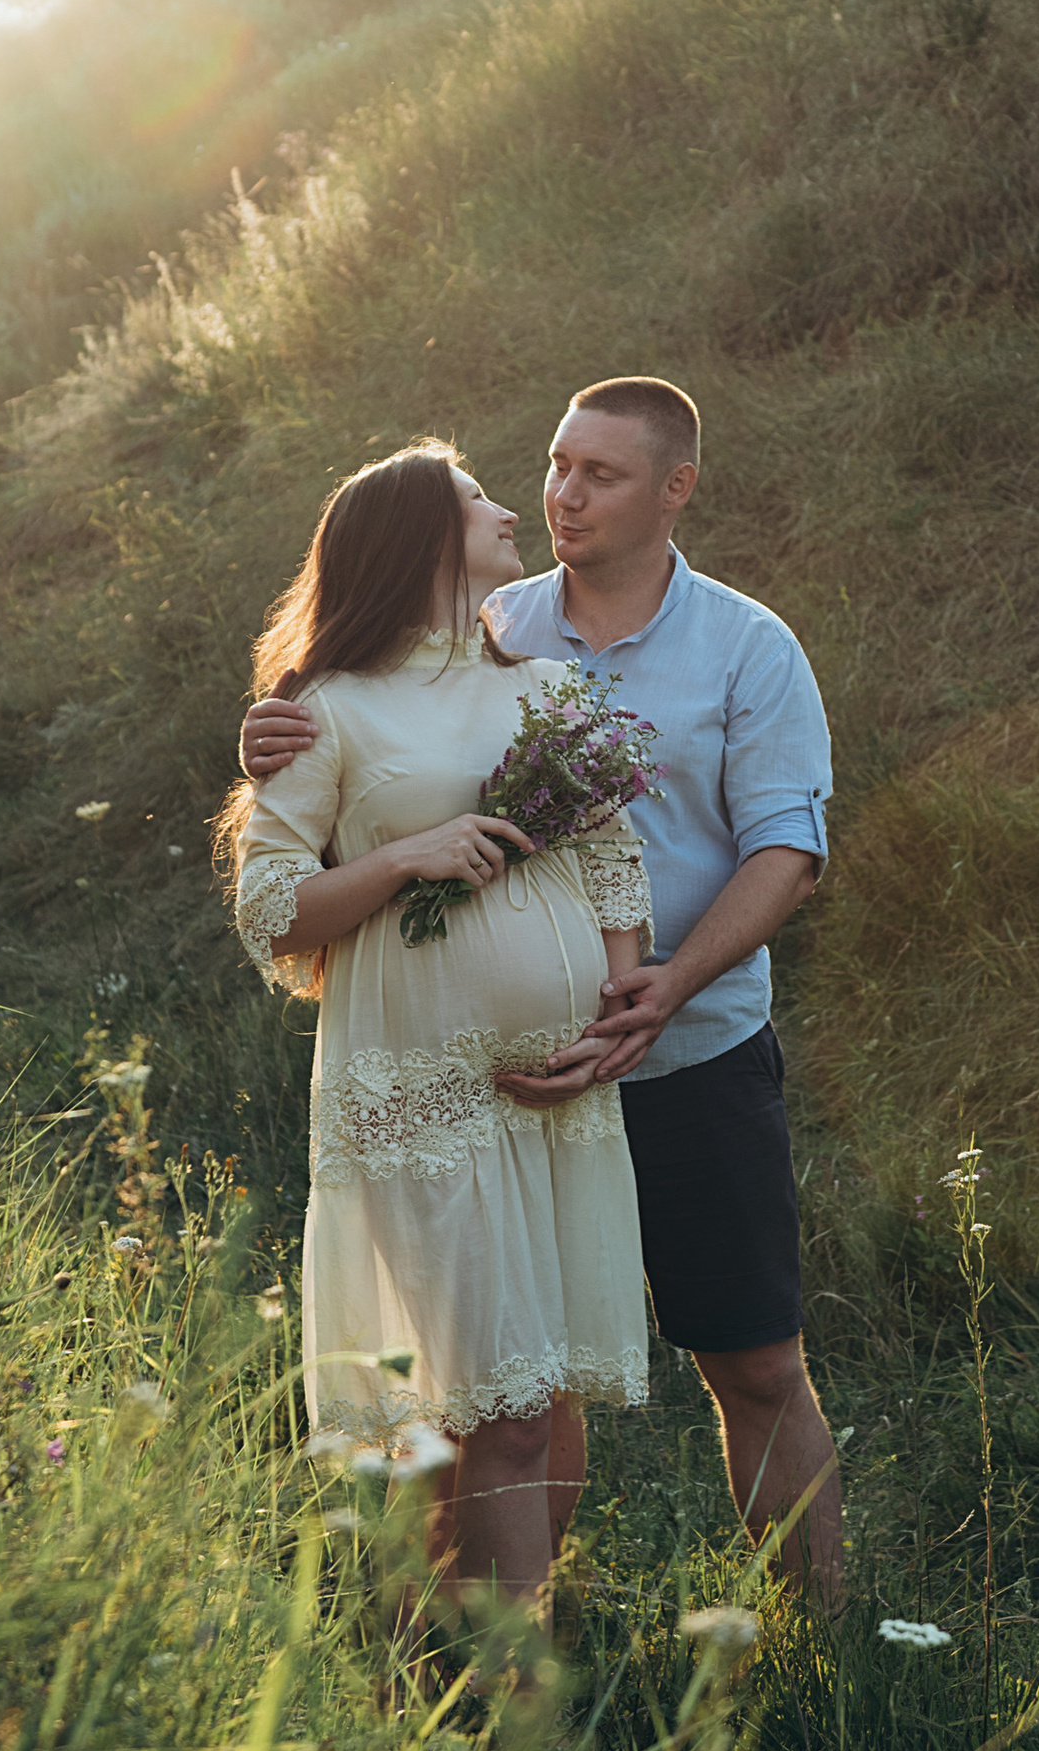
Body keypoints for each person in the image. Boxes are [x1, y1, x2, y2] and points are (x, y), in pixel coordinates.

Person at [243, 376, 843, 1602]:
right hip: (499, 1089)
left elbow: (786, 847)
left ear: (675, 488)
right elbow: (359, 714)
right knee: (516, 1394)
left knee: (757, 1365)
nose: (559, 494)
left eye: (599, 474)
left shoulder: (745, 646)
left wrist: (660, 986)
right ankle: (485, 1653)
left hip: (689, 1053)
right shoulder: (486, 615)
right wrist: (265, 735)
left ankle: (828, 1649)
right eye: (556, 465)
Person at [218, 439, 654, 1618]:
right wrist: (404, 854)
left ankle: (445, 1643)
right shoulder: (327, 709)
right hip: (422, 1095)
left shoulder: (543, 686)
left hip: (561, 1098)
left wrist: (619, 1015)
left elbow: (611, 857)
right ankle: (518, 1708)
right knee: (492, 1410)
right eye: (476, 500)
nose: (511, 509)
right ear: (416, 538)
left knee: (544, 1398)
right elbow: (269, 909)